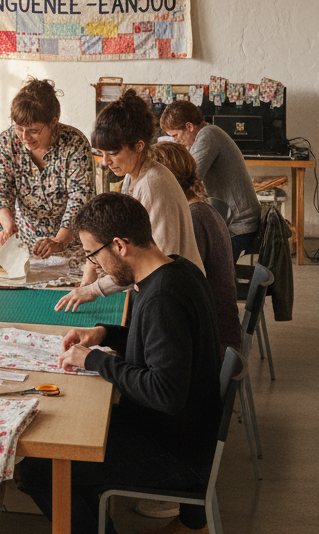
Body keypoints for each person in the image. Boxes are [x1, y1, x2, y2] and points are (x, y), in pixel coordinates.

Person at [18, 193, 223, 534]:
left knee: (42, 468)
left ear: (120, 246)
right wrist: (105, 335)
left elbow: (165, 392)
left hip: (177, 450)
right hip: (175, 430)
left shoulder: (163, 297)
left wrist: (95, 362)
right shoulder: (175, 270)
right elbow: (159, 346)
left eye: (94, 254)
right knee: (65, 449)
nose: (95, 266)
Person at [55, 89, 203, 312]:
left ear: (140, 146)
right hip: (162, 290)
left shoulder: (153, 184)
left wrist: (93, 290)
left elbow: (156, 264)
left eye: (113, 153)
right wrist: (91, 267)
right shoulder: (133, 177)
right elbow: (111, 231)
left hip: (176, 298)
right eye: (101, 153)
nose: (105, 162)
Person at [150, 141, 242, 351]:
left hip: (211, 343)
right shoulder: (199, 208)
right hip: (214, 331)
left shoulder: (193, 218)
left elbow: (175, 285)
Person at [0, 78, 94, 258]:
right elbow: (0, 188)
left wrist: (59, 241)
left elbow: (79, 199)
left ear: (53, 122)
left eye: (34, 130)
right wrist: (8, 225)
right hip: (25, 243)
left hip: (71, 244)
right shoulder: (8, 141)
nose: (24, 136)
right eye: (19, 128)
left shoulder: (74, 143)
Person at [160, 100, 261, 261]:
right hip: (233, 221)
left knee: (190, 261)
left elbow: (189, 178)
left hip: (239, 226)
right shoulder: (204, 135)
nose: (176, 141)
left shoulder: (208, 135)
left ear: (189, 127)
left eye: (175, 136)